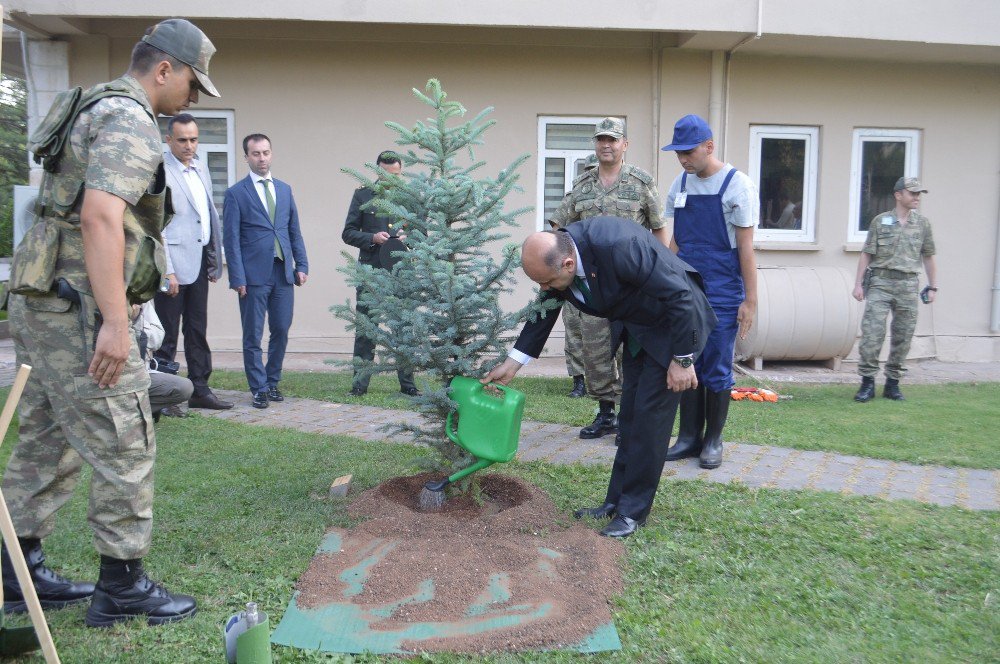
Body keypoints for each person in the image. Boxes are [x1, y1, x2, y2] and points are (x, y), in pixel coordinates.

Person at [2, 18, 217, 627]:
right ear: (164, 68)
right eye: (191, 83)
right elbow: (100, 219)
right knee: (126, 439)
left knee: (46, 434)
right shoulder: (127, 117)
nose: (192, 99)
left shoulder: (88, 105)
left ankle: (17, 571)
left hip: (43, 299)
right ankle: (121, 587)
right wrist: (116, 324)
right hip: (78, 308)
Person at [484, 218, 716, 538]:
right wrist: (514, 363)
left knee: (650, 424)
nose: (545, 289)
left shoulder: (619, 246)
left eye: (549, 282)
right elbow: (547, 305)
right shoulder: (562, 261)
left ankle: (633, 513)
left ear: (567, 263)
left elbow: (680, 295)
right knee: (630, 419)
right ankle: (616, 502)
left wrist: (683, 359)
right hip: (639, 329)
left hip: (674, 327)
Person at [548, 117, 667, 441]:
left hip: (633, 283)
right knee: (596, 351)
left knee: (633, 353)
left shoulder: (641, 183)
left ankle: (630, 418)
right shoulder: (583, 185)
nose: (606, 145)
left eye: (613, 140)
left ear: (624, 145)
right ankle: (606, 414)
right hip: (595, 285)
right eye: (601, 139)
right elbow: (558, 227)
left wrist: (658, 274)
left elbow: (658, 229)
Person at [660, 114, 759, 470]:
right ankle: (687, 438)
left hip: (722, 287)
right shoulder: (681, 184)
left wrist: (750, 300)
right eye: (678, 153)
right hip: (686, 286)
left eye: (688, 152)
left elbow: (746, 248)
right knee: (688, 359)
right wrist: (661, 279)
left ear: (709, 146)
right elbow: (675, 241)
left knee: (716, 363)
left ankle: (712, 440)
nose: (683, 159)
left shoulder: (738, 185)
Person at [223, 134, 309, 409]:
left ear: (272, 154)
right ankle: (258, 387)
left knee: (281, 328)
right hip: (253, 276)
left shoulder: (284, 189)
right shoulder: (236, 193)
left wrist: (302, 265)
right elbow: (231, 239)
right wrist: (237, 277)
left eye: (266, 153)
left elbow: (294, 230)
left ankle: (272, 381)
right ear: (246, 157)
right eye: (256, 154)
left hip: (282, 271)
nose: (262, 158)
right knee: (253, 334)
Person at [155, 113, 233, 411]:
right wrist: (167, 271)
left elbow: (208, 216)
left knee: (197, 328)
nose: (189, 146)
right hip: (171, 267)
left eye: (194, 139)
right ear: (169, 140)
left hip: (199, 261)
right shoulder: (160, 170)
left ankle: (200, 389)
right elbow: (156, 225)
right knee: (166, 332)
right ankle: (162, 395)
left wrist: (212, 259)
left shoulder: (201, 167)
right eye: (183, 140)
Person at [342, 151, 420, 397]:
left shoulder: (410, 198)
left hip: (401, 271)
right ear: (377, 171)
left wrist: (412, 239)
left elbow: (424, 235)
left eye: (395, 175)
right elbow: (348, 232)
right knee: (367, 328)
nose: (390, 180)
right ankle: (359, 384)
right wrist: (371, 238)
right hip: (371, 271)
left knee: (404, 328)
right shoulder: (362, 194)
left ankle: (407, 385)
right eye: (385, 175)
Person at [852, 177, 937, 402]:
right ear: (899, 195)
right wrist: (858, 284)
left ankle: (893, 383)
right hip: (881, 282)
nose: (917, 197)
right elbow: (867, 253)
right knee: (872, 334)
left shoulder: (923, 224)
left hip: (908, 285)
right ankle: (867, 383)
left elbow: (928, 256)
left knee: (903, 336)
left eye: (919, 194)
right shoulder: (880, 222)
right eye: (913, 193)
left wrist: (933, 286)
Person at [132, 302, 195, 420]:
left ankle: (131, 411)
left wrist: (136, 320)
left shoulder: (140, 299)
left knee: (184, 387)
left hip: (141, 372)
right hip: (111, 375)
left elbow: (157, 340)